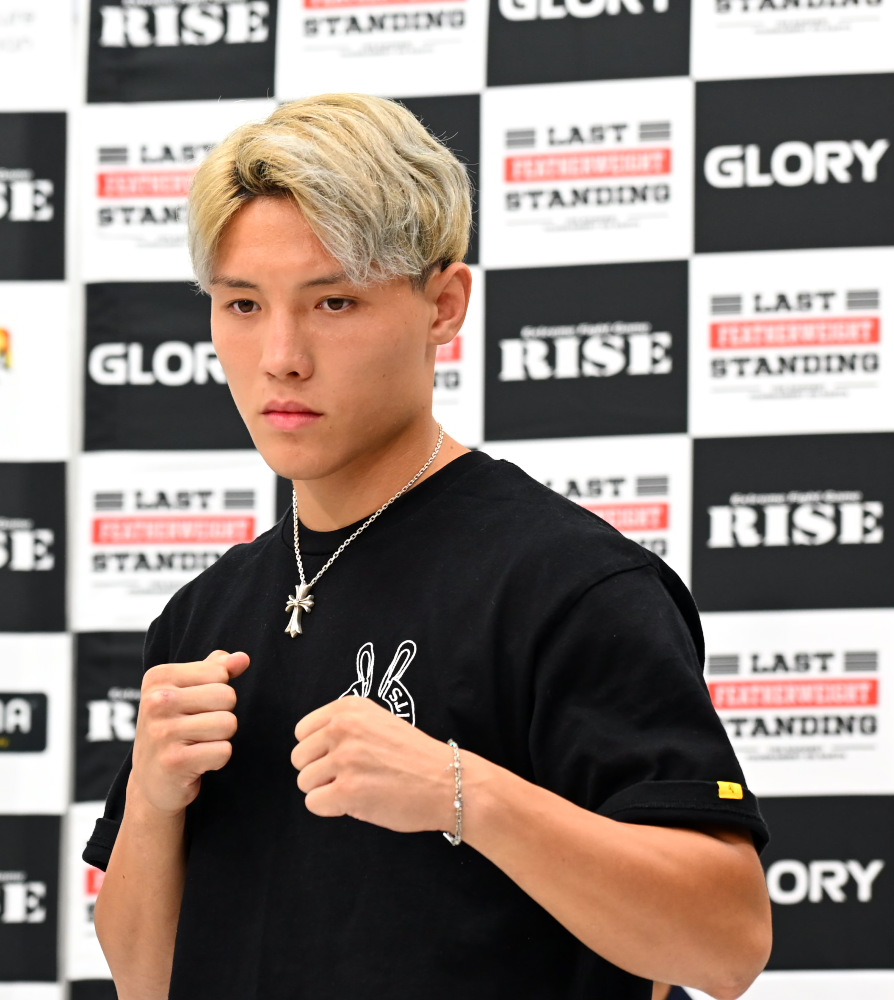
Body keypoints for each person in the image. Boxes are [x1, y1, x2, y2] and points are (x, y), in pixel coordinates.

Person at [84, 92, 773, 1000]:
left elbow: (726, 944)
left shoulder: (567, 584)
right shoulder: (203, 614)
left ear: (444, 305)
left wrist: (462, 793)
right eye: (242, 304)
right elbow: (144, 979)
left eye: (334, 301)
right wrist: (151, 800)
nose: (281, 355)